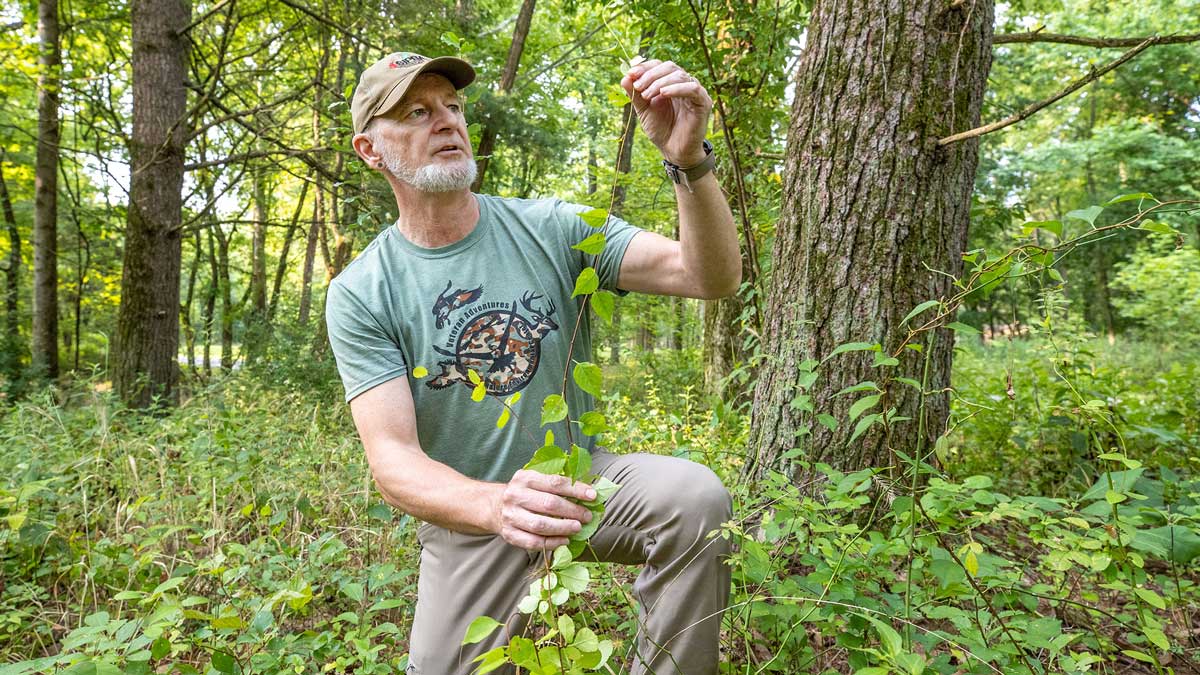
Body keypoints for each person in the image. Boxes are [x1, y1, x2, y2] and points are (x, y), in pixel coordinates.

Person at [325, 51, 741, 675]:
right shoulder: (364, 289)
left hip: (580, 483)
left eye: (453, 107)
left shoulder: (552, 226)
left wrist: (689, 161)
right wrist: (496, 506)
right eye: (417, 111)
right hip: (473, 516)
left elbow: (708, 275)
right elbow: (394, 461)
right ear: (370, 149)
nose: (447, 122)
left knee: (693, 497)